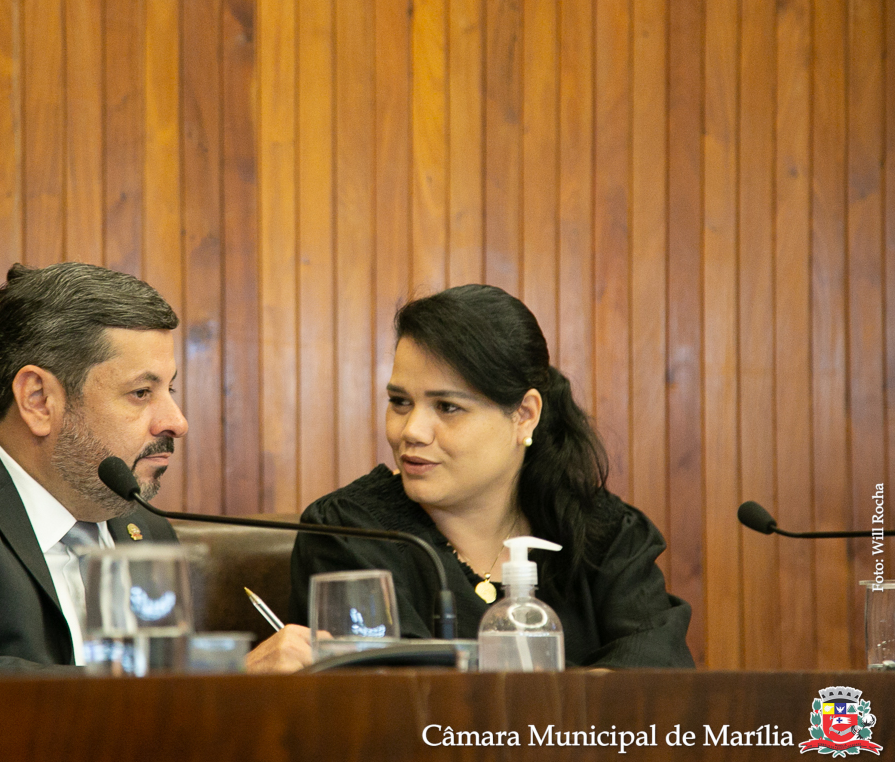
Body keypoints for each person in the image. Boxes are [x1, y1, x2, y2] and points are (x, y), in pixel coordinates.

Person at [0, 262, 311, 675]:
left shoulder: (141, 528)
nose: (176, 422)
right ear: (38, 399)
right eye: (141, 392)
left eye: (170, 389)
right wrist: (217, 680)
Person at [289, 285, 694, 668]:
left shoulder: (606, 534)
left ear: (524, 416)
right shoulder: (349, 532)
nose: (411, 431)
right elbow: (401, 690)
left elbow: (657, 676)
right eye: (400, 402)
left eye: (447, 407)